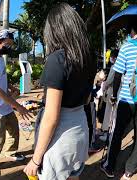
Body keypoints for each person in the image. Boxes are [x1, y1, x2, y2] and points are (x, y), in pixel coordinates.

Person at [23, 3, 96, 180]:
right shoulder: (89, 57)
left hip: (60, 137)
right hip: (80, 129)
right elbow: (87, 99)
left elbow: (51, 117)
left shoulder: (57, 59)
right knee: (73, 176)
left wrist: (35, 159)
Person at [100, 25, 137, 179]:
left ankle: (110, 167)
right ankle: (129, 170)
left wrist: (114, 97)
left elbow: (117, 75)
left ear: (132, 31)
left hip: (126, 99)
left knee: (117, 132)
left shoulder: (127, 46)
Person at [0, 29, 33, 177]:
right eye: (7, 44)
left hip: (5, 106)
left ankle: (11, 152)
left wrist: (11, 87)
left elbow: (1, 79)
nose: (9, 47)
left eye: (11, 45)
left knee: (14, 130)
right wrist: (18, 106)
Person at [100, 49, 119, 141]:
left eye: (111, 57)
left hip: (112, 92)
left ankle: (107, 133)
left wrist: (104, 87)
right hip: (119, 92)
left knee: (109, 113)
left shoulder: (114, 66)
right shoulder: (124, 66)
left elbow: (109, 80)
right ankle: (111, 133)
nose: (110, 59)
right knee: (114, 114)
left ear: (114, 58)